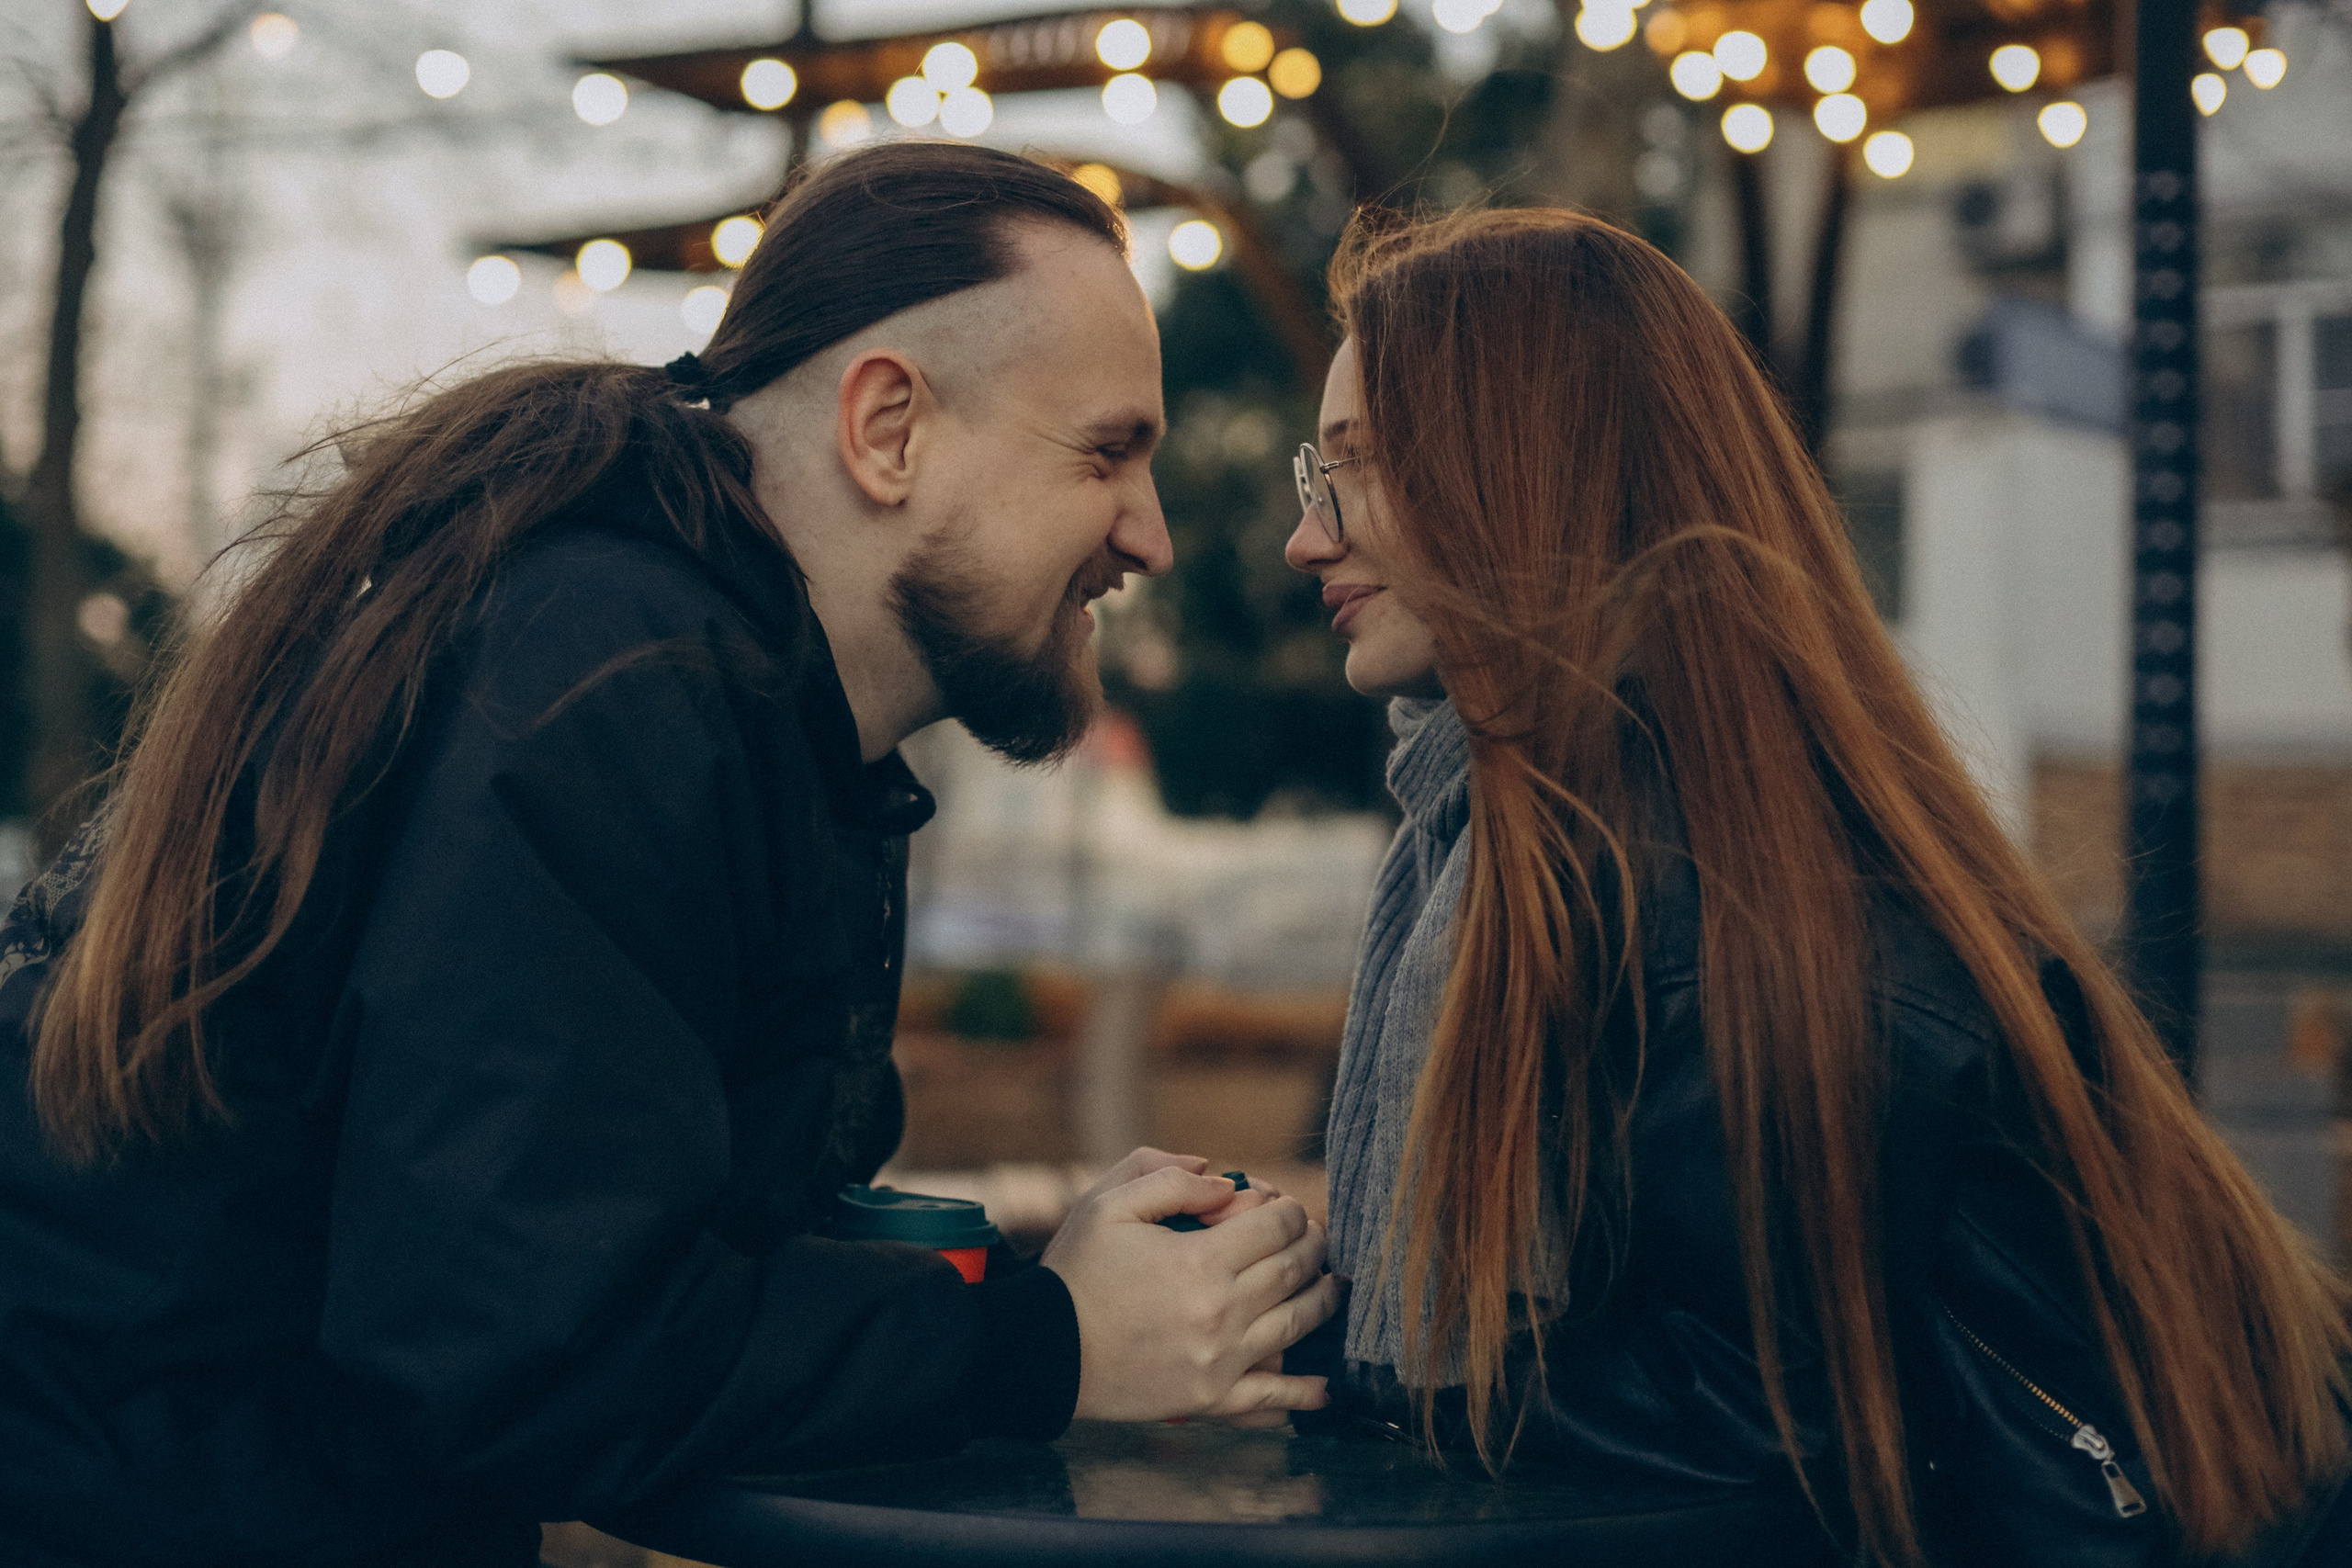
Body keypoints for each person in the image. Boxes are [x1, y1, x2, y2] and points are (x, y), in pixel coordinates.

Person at [0, 142, 1338, 1568]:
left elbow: (649, 1239)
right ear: (888, 427)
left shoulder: (733, 689)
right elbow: (515, 1344)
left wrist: (1054, 1287)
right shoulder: (602, 685)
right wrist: (1040, 1343)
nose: (1153, 535)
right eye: (1107, 450)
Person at [1283, 207, 2351, 1567]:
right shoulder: (1560, 834)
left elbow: (1772, 1419)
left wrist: (1344, 1353)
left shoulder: (1716, 896)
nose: (1305, 541)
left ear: (1524, 473)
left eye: (1358, 472)